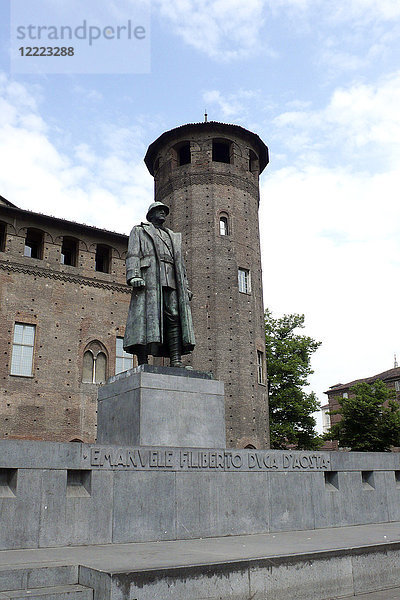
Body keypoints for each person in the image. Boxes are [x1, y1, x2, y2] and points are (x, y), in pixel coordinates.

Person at [123, 201, 195, 367]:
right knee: (145, 318)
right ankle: (142, 360)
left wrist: (186, 286)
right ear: (150, 214)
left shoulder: (173, 236)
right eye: (159, 210)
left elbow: (181, 265)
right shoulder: (140, 230)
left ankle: (175, 359)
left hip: (171, 278)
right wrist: (134, 275)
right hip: (150, 277)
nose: (163, 212)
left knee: (174, 316)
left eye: (164, 210)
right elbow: (133, 254)